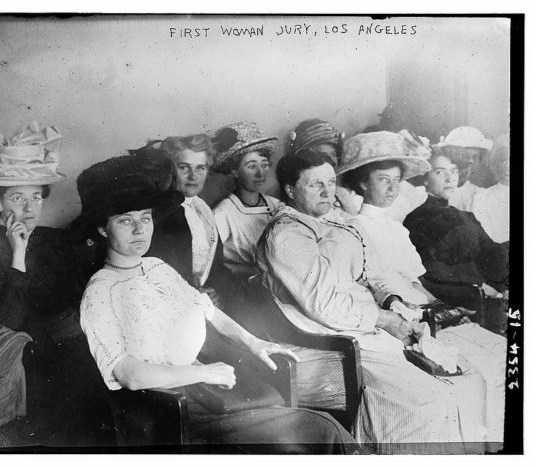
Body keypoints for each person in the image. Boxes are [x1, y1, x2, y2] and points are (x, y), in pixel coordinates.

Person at [74, 154, 358, 454]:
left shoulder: (156, 267)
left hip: (202, 392)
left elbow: (207, 309)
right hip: (167, 412)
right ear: (103, 229)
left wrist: (253, 342)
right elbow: (131, 376)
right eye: (124, 221)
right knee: (314, 434)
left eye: (145, 218)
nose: (139, 230)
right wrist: (204, 373)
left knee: (321, 429)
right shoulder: (100, 292)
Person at [255, 148, 489, 454]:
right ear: (289, 189)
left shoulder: (339, 221)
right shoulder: (286, 234)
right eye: (315, 185)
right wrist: (385, 320)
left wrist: (393, 304)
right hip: (327, 341)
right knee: (428, 400)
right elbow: (324, 305)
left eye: (330, 182)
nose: (328, 192)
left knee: (470, 382)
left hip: (364, 326)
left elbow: (376, 274)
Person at [340, 131, 507, 446]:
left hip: (427, 310)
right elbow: (381, 287)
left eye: (396, 180)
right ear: (362, 183)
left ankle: (497, 448)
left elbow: (419, 281)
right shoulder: (354, 229)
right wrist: (425, 314)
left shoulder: (394, 226)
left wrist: (447, 309)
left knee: (501, 356)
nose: (391, 188)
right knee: (479, 370)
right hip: (403, 318)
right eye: (382, 180)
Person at [0, 114, 107, 446]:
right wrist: (18, 253)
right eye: (17, 198)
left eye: (36, 197)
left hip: (80, 348)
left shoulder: (57, 240)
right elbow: (9, 323)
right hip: (30, 363)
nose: (28, 208)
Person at [403, 152, 509, 335]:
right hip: (454, 293)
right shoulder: (416, 220)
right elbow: (429, 267)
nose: (449, 177)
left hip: (484, 292)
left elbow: (491, 251)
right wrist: (479, 284)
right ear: (425, 179)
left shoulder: (466, 217)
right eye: (439, 172)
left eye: (453, 171)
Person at [146, 134, 235, 309]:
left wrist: (216, 292)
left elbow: (215, 265)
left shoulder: (203, 210)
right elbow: (159, 273)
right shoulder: (161, 214)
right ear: (170, 171)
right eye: (184, 168)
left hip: (202, 302)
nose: (193, 176)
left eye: (200, 168)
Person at [289, 119, 427, 222]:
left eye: (332, 155)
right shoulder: (299, 193)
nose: (329, 162)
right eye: (321, 156)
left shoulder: (345, 193)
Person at [212, 122, 284, 278]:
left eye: (264, 165)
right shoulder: (223, 213)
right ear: (234, 171)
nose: (261, 174)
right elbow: (214, 264)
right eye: (252, 167)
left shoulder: (277, 207)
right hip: (243, 286)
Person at [434, 126, 493, 212]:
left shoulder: (481, 195)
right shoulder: (433, 189)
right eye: (465, 156)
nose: (470, 162)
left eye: (474, 157)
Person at [472, 134, 510, 244]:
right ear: (495, 164)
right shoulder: (483, 198)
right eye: (504, 161)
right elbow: (485, 238)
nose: (508, 166)